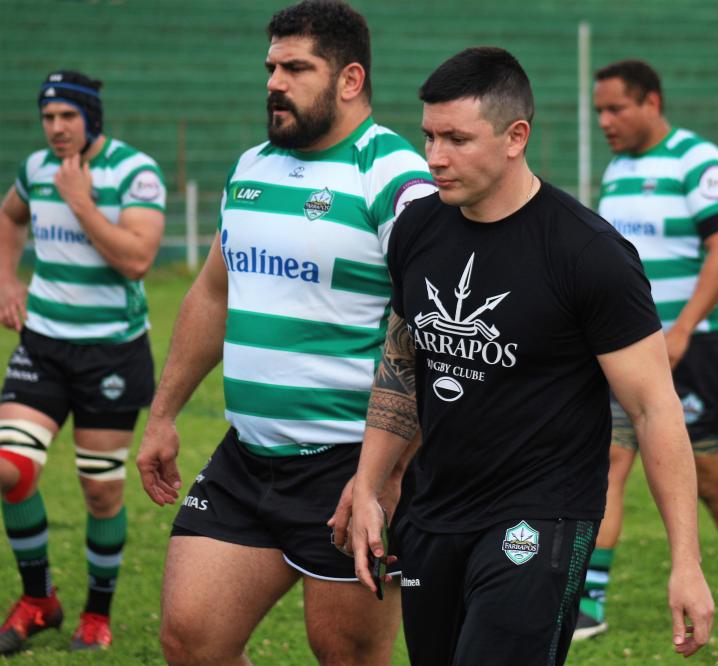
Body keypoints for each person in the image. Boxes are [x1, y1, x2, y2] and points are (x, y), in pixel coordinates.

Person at [334, 47, 714, 666]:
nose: (434, 157)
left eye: (457, 138)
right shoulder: (417, 230)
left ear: (516, 137)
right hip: (435, 512)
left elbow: (653, 409)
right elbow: (402, 366)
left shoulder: (589, 253)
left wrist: (686, 563)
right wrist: (369, 485)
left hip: (542, 518)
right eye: (429, 135)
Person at [134, 1, 435, 664]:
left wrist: (386, 476)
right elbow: (213, 294)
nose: (274, 81)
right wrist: (163, 413)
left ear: (349, 80)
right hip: (247, 456)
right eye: (271, 65)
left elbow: (428, 332)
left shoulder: (396, 180)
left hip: (348, 466)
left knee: (346, 655)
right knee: (191, 642)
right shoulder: (253, 168)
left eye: (296, 68)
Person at [574, 59, 718, 640]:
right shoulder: (617, 170)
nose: (604, 121)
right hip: (630, 349)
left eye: (615, 108)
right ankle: (588, 604)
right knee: (608, 464)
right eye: (598, 110)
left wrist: (685, 327)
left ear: (651, 103)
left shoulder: (700, 161)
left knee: (710, 479)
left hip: (701, 347)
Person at [0, 70, 166, 653]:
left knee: (100, 494)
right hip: (42, 345)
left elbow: (138, 259)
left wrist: (82, 204)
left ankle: (97, 614)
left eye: (67, 116)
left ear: (91, 117)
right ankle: (38, 599)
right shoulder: (36, 169)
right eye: (48, 118)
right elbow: (10, 219)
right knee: (10, 470)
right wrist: (5, 278)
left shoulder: (134, 172)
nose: (56, 129)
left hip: (111, 354)